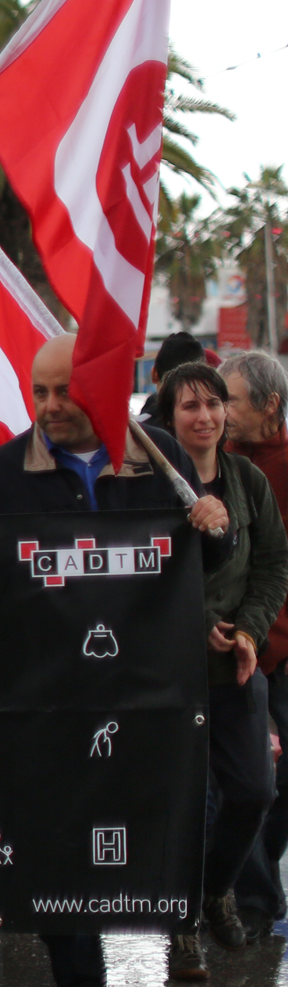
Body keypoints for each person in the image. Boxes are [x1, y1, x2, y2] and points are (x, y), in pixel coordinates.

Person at [0, 333, 233, 987]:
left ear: (100, 389)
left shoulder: (156, 452)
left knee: (175, 810)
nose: (50, 406)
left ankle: (184, 921)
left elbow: (206, 556)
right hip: (51, 692)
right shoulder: (5, 471)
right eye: (40, 392)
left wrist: (213, 526)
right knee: (57, 833)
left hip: (148, 687)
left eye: (64, 390)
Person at [154, 361, 285, 978]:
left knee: (255, 791)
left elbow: (273, 567)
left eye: (213, 404)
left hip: (237, 668)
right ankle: (181, 927)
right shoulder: (151, 486)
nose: (204, 416)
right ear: (170, 416)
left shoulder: (249, 481)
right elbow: (140, 576)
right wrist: (193, 620)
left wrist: (251, 632)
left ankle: (217, 889)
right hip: (172, 676)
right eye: (189, 407)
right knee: (181, 802)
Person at [223, 350, 288, 933]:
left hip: (279, 646)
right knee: (251, 784)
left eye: (231, 401)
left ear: (270, 406)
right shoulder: (220, 466)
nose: (220, 412)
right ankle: (254, 905)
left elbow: (275, 565)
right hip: (245, 652)